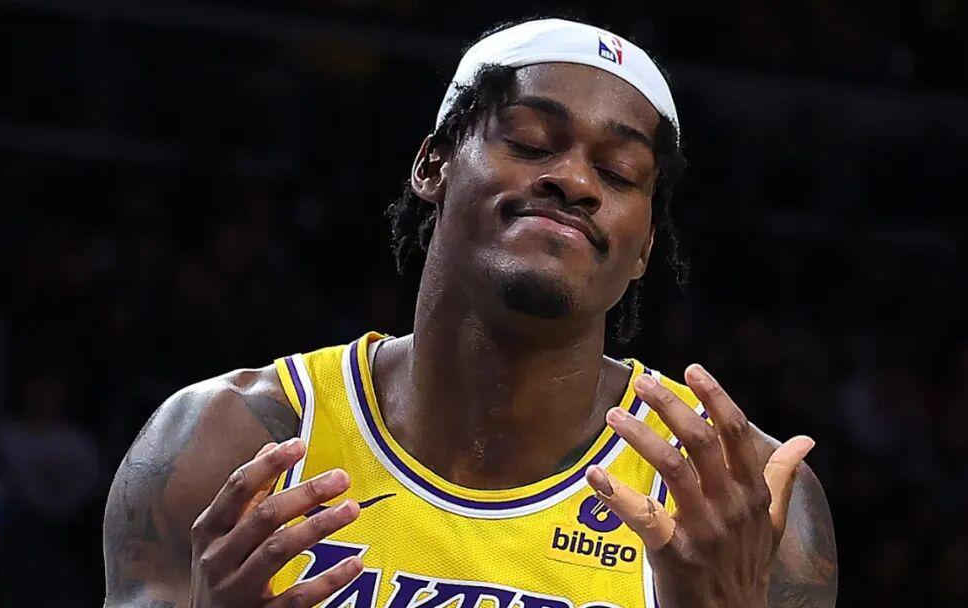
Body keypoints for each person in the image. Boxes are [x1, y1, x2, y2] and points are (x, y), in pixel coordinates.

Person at [103, 18, 837, 608]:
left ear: (645, 245)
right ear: (434, 164)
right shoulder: (224, 440)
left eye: (618, 173)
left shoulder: (741, 500)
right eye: (530, 142)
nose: (574, 180)